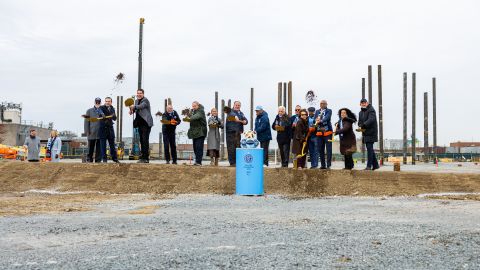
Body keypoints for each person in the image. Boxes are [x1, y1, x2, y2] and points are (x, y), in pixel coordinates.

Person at [129, 89, 154, 163]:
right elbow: (136, 109)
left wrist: (134, 107)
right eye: (138, 93)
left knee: (145, 140)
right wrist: (131, 110)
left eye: (140, 93)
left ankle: (146, 158)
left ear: (143, 94)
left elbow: (141, 106)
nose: (139, 94)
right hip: (140, 124)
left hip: (146, 123)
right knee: (141, 141)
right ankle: (143, 157)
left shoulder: (145, 100)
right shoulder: (136, 101)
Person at [358, 98, 380, 170]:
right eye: (362, 103)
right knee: (370, 149)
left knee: (369, 148)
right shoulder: (360, 113)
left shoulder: (371, 109)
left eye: (364, 103)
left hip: (371, 132)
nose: (363, 104)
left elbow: (371, 119)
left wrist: (364, 125)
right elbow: (359, 122)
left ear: (367, 103)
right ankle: (376, 165)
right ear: (360, 104)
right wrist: (360, 125)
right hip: (365, 133)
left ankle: (369, 166)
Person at [225, 101, 248, 166]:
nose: (237, 106)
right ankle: (232, 163)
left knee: (238, 147)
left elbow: (245, 120)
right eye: (236, 105)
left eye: (239, 105)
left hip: (238, 133)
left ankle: (238, 162)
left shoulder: (241, 113)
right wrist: (235, 117)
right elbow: (230, 117)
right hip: (231, 133)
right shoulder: (230, 112)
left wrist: (245, 121)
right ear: (234, 105)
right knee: (231, 148)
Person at [99, 97, 119, 163]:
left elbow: (115, 118)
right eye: (106, 101)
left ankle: (115, 159)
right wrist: (102, 114)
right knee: (103, 145)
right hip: (103, 129)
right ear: (105, 102)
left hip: (110, 129)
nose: (107, 102)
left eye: (109, 101)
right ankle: (104, 159)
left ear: (111, 102)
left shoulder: (112, 108)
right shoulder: (101, 108)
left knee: (112, 145)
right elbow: (99, 111)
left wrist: (113, 116)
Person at [314, 100, 333, 169]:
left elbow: (327, 118)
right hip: (319, 133)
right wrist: (316, 120)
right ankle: (323, 165)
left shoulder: (329, 111)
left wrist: (320, 121)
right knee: (320, 149)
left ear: (326, 104)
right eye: (321, 103)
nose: (322, 105)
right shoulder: (317, 111)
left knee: (328, 149)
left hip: (327, 132)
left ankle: (328, 165)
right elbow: (314, 119)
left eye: (324, 103)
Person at [187, 101, 207, 166]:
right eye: (192, 106)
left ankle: (198, 161)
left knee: (199, 147)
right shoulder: (193, 111)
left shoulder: (201, 111)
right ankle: (197, 161)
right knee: (195, 147)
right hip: (195, 132)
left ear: (198, 105)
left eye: (195, 106)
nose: (193, 107)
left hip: (201, 132)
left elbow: (196, 117)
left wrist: (189, 118)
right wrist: (188, 114)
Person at [84, 97, 103, 163]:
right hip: (91, 132)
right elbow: (86, 122)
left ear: (100, 102)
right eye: (96, 102)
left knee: (99, 148)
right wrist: (87, 131)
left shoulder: (102, 110)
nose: (97, 103)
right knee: (90, 148)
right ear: (94, 102)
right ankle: (89, 159)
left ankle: (98, 160)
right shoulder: (89, 111)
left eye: (99, 102)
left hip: (100, 132)